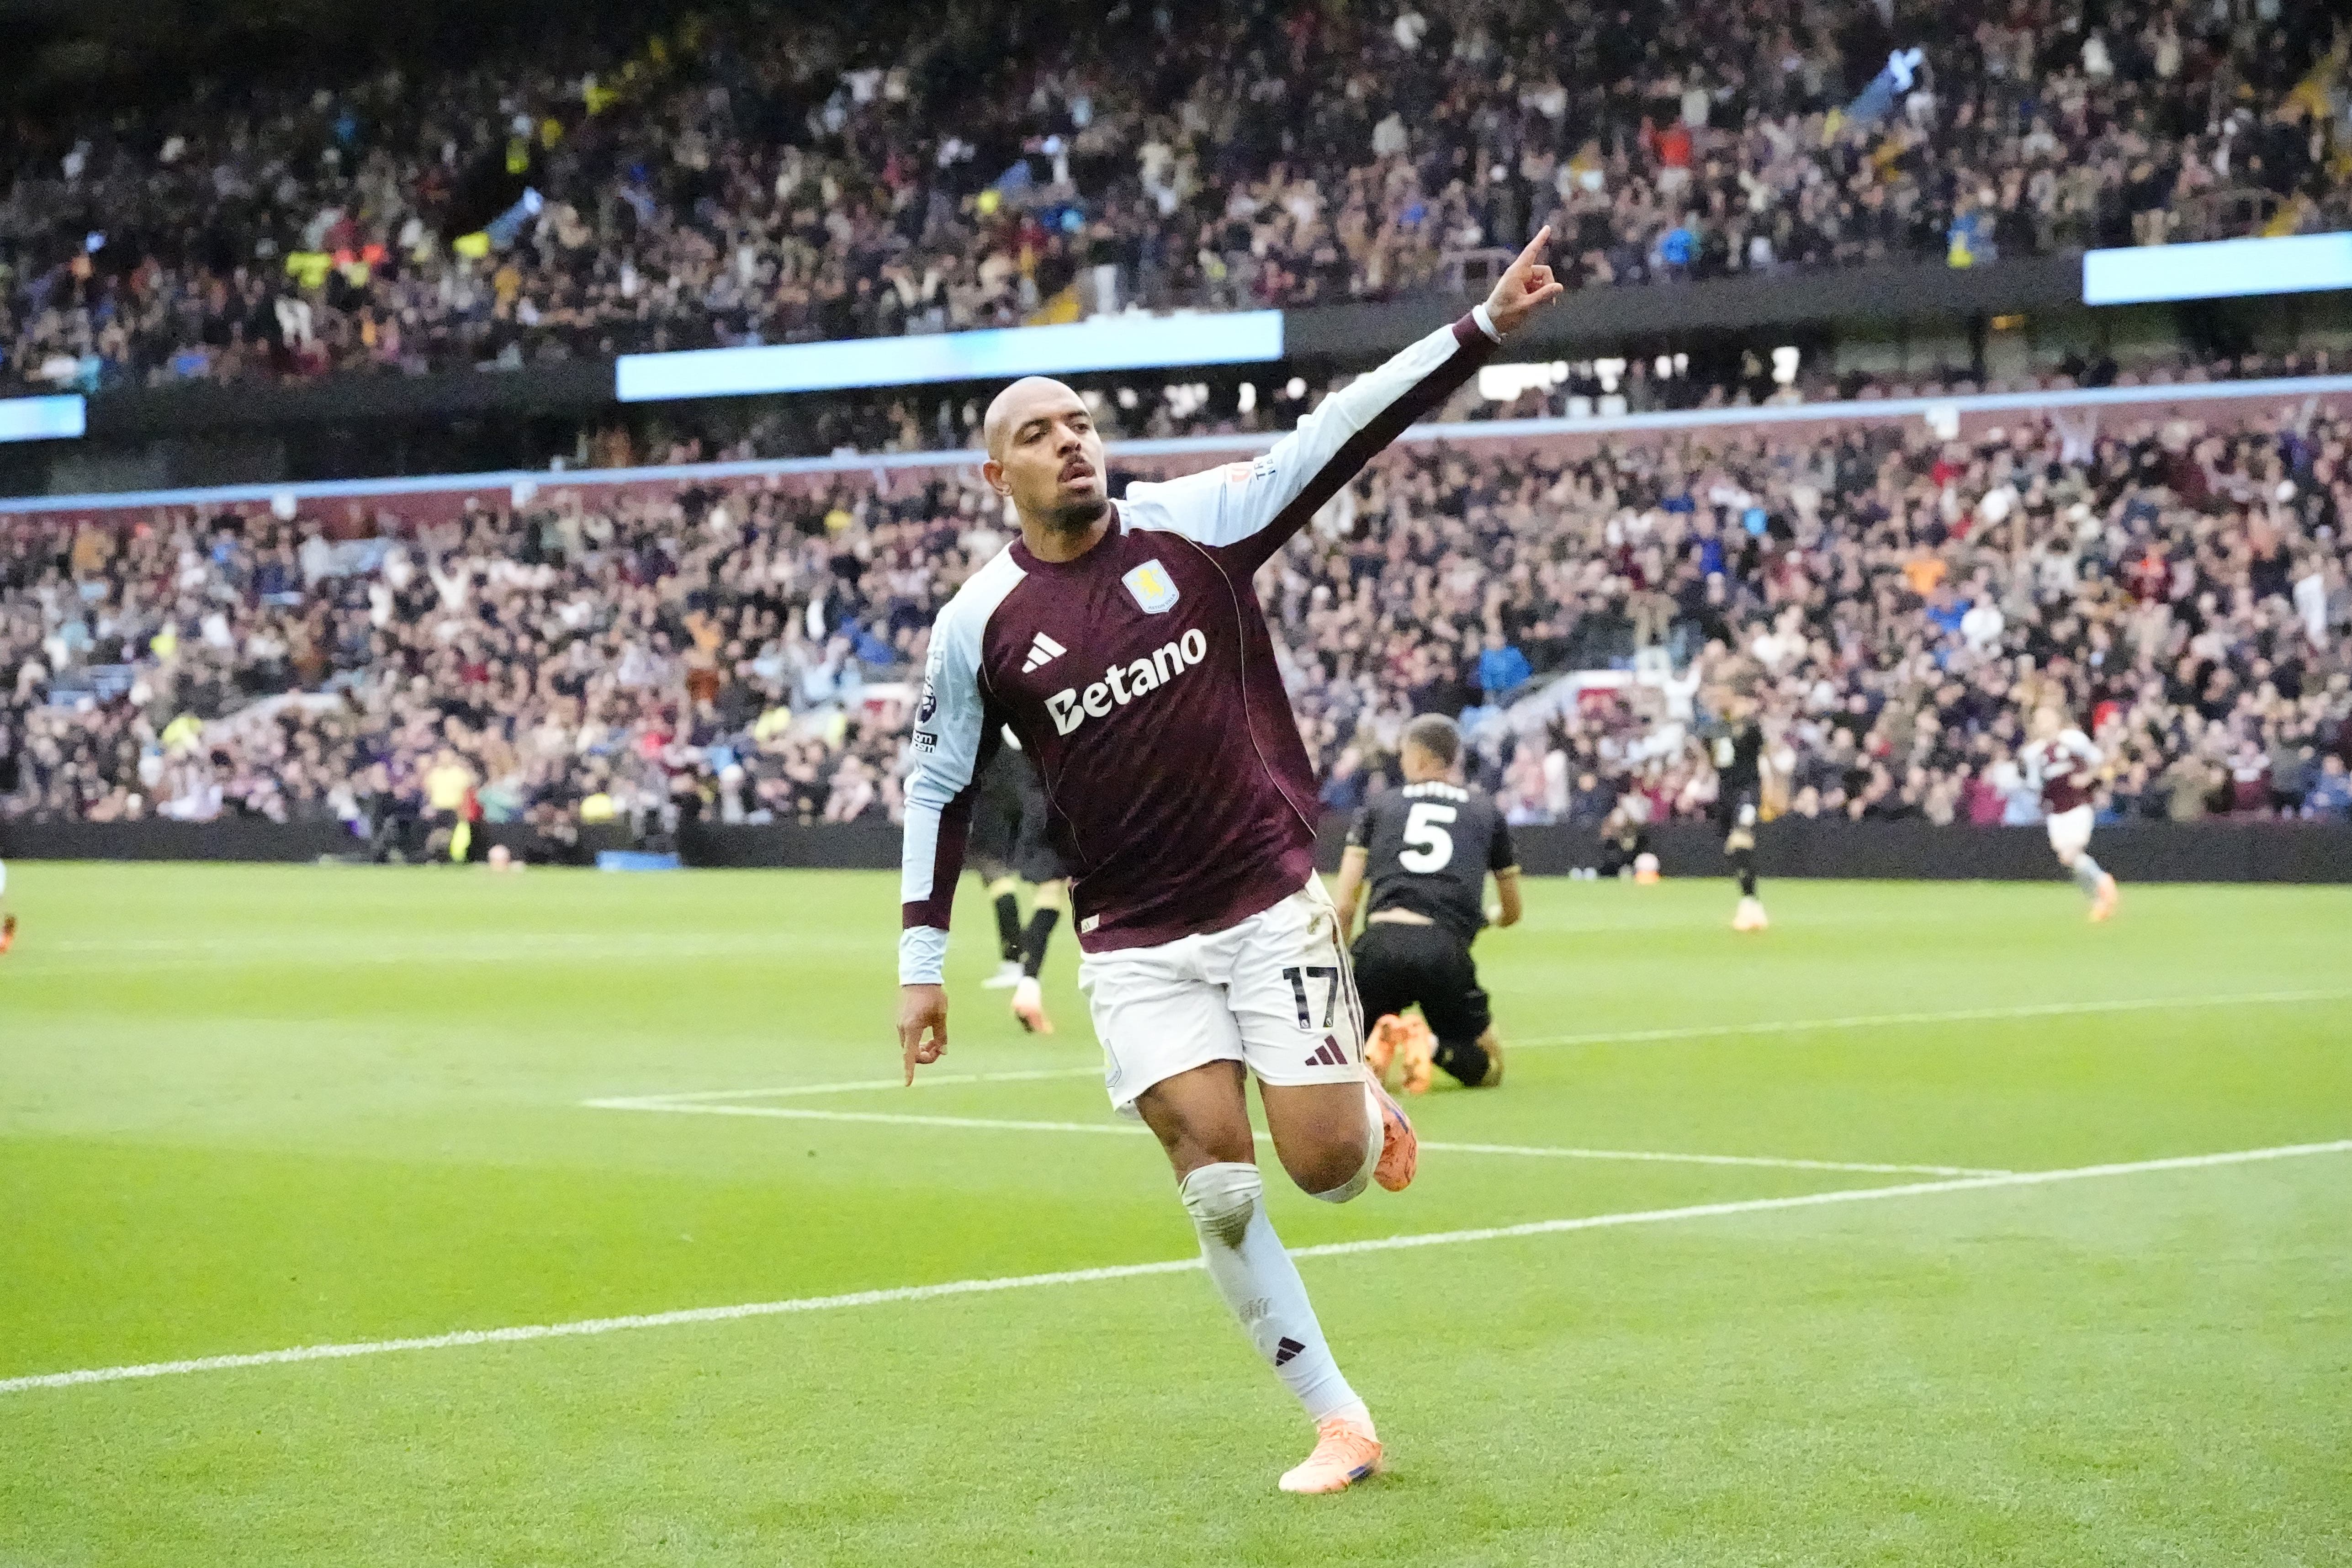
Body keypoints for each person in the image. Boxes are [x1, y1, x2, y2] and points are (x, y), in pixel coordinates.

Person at [896, 229, 1564, 1494]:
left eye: (1083, 421)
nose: (1072, 441)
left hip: (1269, 906)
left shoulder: (1193, 531)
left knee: (1321, 1173)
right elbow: (936, 788)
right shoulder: (974, 628)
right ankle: (1339, 1420)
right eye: (1040, 432)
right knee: (1214, 1189)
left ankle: (1361, 1105)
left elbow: (1336, 435)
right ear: (996, 474)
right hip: (1134, 941)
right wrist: (920, 966)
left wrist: (1475, 330)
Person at [1329, 714, 1521, 1094]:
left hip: (1381, 944)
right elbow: (1513, 912)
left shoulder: (1379, 806)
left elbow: (1345, 904)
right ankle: (1429, 1044)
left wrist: (1345, 964)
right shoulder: (1485, 811)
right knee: (1491, 1069)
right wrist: (1490, 919)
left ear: (1419, 760)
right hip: (1443, 950)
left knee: (1340, 1062)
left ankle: (1371, 1047)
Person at [965, 736, 1070, 1033]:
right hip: (1054, 804)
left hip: (1030, 809)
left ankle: (1021, 972)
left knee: (1016, 884)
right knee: (1053, 895)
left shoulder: (998, 728)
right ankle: (1026, 975)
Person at [2021, 705, 2119, 920]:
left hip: (2078, 805)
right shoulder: (2034, 753)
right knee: (2070, 860)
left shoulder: (2072, 739)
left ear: (2057, 718)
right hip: (2056, 812)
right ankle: (2098, 903)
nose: (2044, 722)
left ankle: (2103, 882)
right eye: (2039, 719)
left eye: (2047, 716)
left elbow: (2099, 760)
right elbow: (2035, 785)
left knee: (2071, 854)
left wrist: (2088, 777)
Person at [1701, 689, 1769, 930]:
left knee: (1742, 839)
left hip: (1747, 791)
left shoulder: (1750, 727)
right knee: (1733, 848)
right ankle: (1750, 900)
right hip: (1725, 794)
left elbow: (1760, 747)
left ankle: (1751, 904)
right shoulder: (1713, 730)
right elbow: (1713, 760)